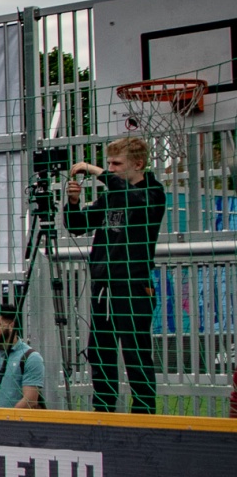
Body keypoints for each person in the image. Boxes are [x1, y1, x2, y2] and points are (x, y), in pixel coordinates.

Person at [65, 135, 167, 414]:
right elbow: (78, 225)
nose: (110, 169)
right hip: (103, 287)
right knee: (100, 353)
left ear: (138, 164)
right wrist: (73, 202)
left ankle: (143, 415)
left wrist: (95, 170)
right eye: (108, 163)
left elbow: (134, 199)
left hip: (133, 286)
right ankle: (104, 412)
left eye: (116, 164)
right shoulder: (111, 195)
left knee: (135, 355)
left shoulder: (152, 193)